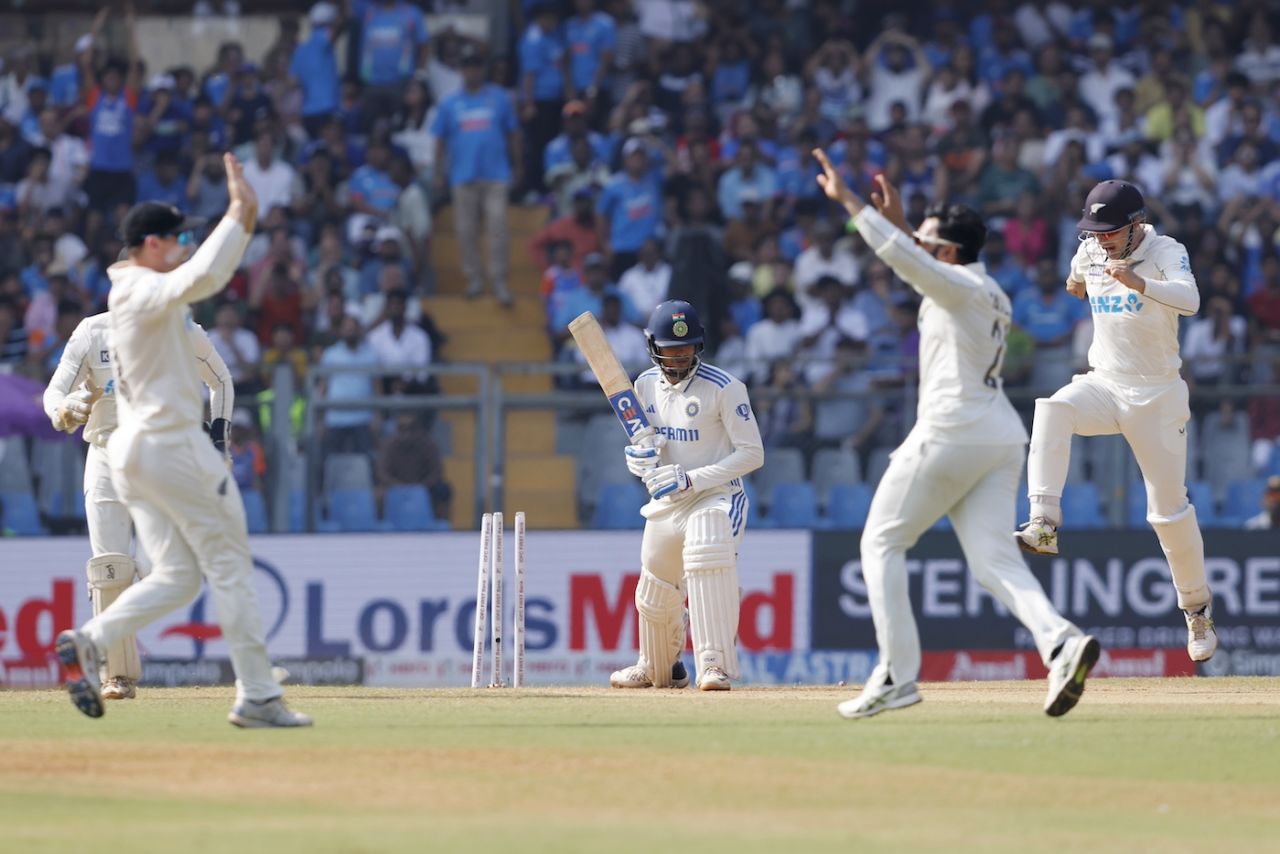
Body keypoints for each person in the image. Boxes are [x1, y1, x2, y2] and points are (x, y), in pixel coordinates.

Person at [812, 149, 1097, 720]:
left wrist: (849, 203)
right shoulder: (985, 289)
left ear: (947, 251)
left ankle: (896, 674)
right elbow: (920, 260)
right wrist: (899, 225)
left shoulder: (959, 288)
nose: (915, 239)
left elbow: (906, 260)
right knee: (995, 564)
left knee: (881, 543)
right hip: (996, 434)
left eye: (926, 236)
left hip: (952, 428)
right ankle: (1062, 643)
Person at [54, 158, 312, 728]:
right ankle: (260, 697)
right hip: (168, 446)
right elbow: (207, 277)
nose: (185, 245)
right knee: (230, 564)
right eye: (179, 238)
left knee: (178, 576)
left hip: (136, 454)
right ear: (151, 244)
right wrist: (241, 215)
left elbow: (197, 296)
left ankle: (90, 641)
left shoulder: (141, 293)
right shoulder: (143, 292)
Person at [1015, 179, 1218, 664]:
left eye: (1110, 230)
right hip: (1105, 382)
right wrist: (1077, 281)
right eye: (1095, 230)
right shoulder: (1089, 249)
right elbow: (1077, 279)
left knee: (1167, 513)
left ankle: (1196, 608)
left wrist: (1138, 282)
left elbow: (1190, 301)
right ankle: (1044, 522)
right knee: (1053, 407)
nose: (1101, 238)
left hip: (1158, 395)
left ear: (1137, 224)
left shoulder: (1166, 250)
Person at [43, 304, 235, 701]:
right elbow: (55, 392)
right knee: (110, 568)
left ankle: (112, 613)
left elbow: (221, 381)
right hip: (105, 455)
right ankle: (119, 676)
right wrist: (64, 410)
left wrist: (219, 442)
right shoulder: (93, 332)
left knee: (154, 568)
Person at [610, 300, 764, 691]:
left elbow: (752, 454)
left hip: (717, 496)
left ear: (699, 345)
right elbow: (649, 448)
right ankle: (657, 665)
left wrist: (691, 480)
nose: (679, 357)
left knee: (706, 552)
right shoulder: (644, 385)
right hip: (669, 502)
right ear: (652, 346)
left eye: (687, 348)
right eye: (671, 349)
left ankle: (713, 665)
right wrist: (640, 461)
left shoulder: (725, 388)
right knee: (656, 576)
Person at [432, 48, 521, 305]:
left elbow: (513, 134)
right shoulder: (449, 103)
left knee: (498, 229)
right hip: (463, 176)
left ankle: (499, 281)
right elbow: (440, 141)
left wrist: (517, 166)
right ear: (462, 70)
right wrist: (438, 173)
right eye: (468, 66)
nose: (473, 71)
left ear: (483, 68)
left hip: (496, 175)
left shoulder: (500, 98)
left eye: (477, 66)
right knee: (465, 231)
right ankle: (474, 280)